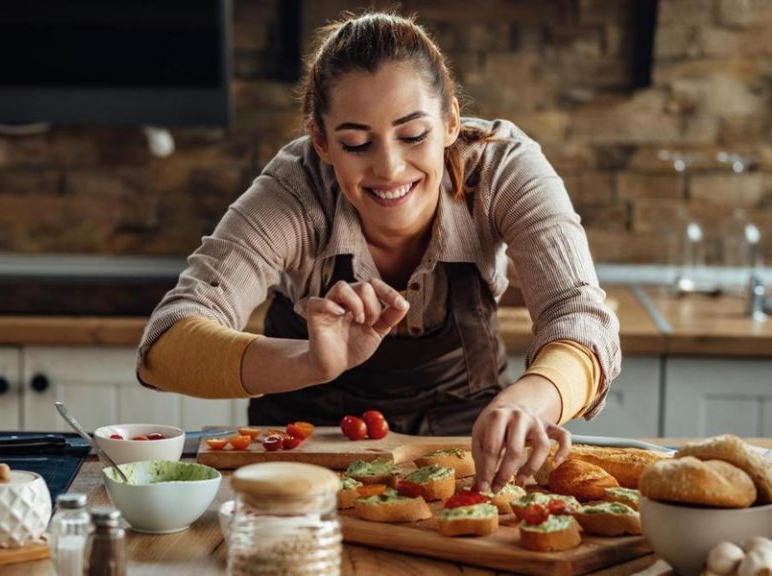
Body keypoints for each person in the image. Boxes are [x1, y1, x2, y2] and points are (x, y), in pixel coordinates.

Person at [135, 10, 620, 494]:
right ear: (321, 143)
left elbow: (579, 313)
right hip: (306, 456)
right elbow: (165, 346)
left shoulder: (503, 168)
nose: (389, 168)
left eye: (413, 136)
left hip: (469, 446)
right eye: (356, 143)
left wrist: (533, 400)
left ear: (450, 121)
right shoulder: (293, 191)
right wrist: (308, 362)